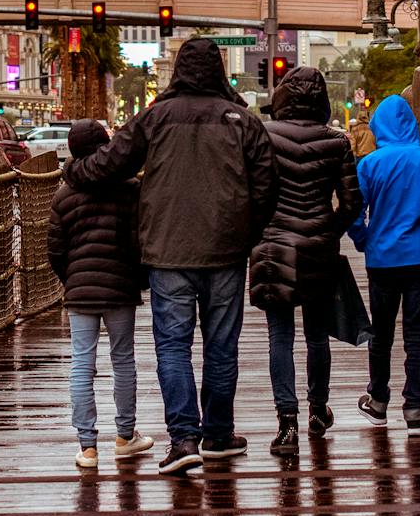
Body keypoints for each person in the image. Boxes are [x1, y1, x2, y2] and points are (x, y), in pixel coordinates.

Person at [66, 37, 279, 475]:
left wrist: (72, 170)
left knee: (173, 347)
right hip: (225, 252)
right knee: (221, 347)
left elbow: (110, 163)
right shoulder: (242, 120)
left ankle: (183, 439)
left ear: (178, 71)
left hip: (167, 252)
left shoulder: (154, 118)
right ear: (219, 71)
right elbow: (267, 188)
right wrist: (245, 233)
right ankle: (219, 434)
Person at [248, 66, 362, 454]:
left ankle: (287, 424)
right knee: (317, 335)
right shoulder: (337, 142)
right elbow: (352, 203)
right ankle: (317, 408)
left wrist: (260, 231)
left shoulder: (263, 137)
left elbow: (250, 193)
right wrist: (328, 229)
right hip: (318, 247)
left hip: (273, 247)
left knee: (279, 337)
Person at [48, 120, 154, 469]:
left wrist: (72, 281)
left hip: (79, 291)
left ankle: (87, 446)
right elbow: (140, 239)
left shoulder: (63, 196)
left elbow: (56, 251)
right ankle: (125, 435)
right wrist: (138, 277)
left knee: (82, 362)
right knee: (123, 359)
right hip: (120, 287)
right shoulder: (129, 189)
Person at [349, 94, 420, 436]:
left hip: (381, 259)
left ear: (380, 126)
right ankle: (414, 408)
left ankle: (378, 401)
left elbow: (353, 211)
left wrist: (363, 239)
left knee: (380, 333)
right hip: (419, 258)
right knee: (416, 335)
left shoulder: (369, 164)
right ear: (412, 124)